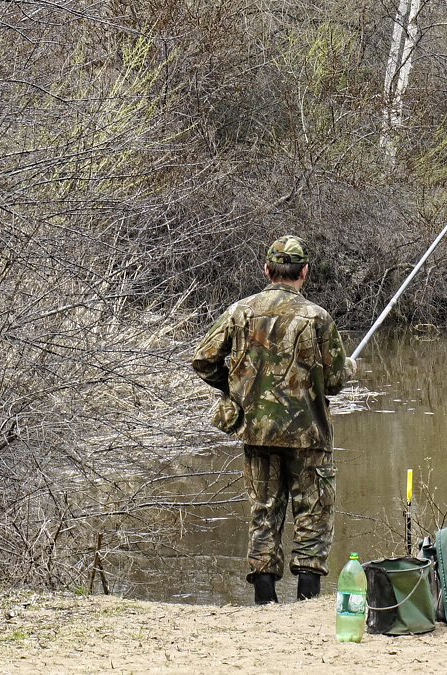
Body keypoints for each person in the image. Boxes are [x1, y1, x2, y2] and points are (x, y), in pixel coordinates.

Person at [192, 235, 356, 605]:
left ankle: (264, 605)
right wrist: (349, 368)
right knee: (312, 515)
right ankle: (307, 603)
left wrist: (239, 389)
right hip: (309, 436)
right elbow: (333, 381)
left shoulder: (240, 312)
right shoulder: (317, 318)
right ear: (305, 272)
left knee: (264, 513)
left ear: (267, 270)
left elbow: (203, 360)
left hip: (257, 432)